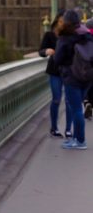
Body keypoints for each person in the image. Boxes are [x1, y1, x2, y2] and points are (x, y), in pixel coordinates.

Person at [51, 9, 89, 150]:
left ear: (66, 22)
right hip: (86, 76)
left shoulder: (65, 37)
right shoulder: (87, 35)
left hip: (72, 76)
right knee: (77, 107)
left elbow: (58, 58)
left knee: (76, 110)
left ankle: (80, 141)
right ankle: (75, 138)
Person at [39, 20, 65, 137]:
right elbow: (41, 51)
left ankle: (68, 130)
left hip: (69, 72)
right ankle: (54, 128)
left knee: (69, 102)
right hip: (54, 71)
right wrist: (46, 51)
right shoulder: (49, 35)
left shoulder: (71, 36)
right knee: (56, 99)